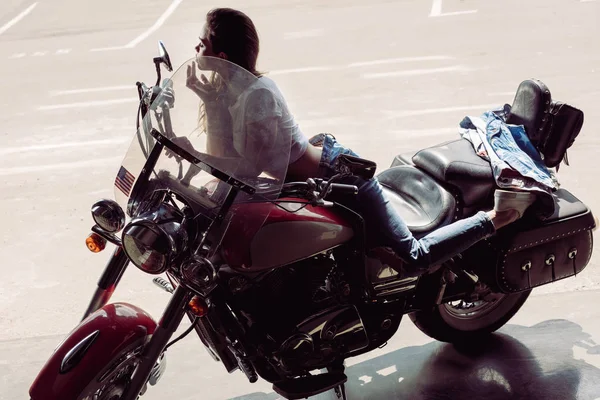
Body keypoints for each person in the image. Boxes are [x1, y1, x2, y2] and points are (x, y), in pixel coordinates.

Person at [188, 7, 536, 277]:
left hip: (340, 177)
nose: (195, 47)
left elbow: (248, 170)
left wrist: (198, 156)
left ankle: (498, 218)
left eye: (202, 42)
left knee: (412, 258)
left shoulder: (258, 95)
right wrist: (207, 102)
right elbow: (229, 163)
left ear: (222, 57)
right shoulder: (229, 91)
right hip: (312, 180)